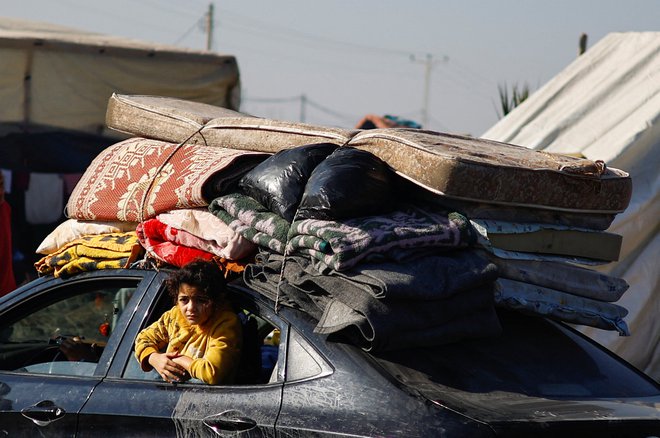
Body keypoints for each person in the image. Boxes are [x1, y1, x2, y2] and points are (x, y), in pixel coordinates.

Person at [134, 259, 242, 385]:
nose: (191, 308)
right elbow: (143, 338)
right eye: (184, 300)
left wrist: (176, 360)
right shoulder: (174, 316)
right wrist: (154, 358)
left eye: (201, 300)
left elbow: (212, 373)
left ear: (216, 301)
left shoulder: (226, 323)